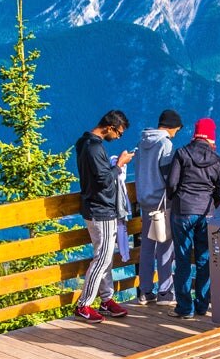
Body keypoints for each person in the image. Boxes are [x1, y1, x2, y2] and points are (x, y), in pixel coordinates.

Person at [73, 110, 133, 323]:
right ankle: (84, 304)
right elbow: (104, 182)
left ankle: (106, 299)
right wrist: (120, 165)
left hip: (91, 208)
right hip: (102, 211)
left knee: (104, 255)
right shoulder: (96, 147)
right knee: (103, 258)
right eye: (118, 132)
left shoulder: (83, 142)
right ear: (109, 127)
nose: (118, 137)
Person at [166, 117, 220, 318]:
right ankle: (202, 305)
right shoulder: (217, 160)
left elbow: (172, 184)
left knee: (182, 260)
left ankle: (184, 308)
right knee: (204, 259)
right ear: (212, 136)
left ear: (195, 133)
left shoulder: (182, 153)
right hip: (206, 213)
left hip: (182, 211)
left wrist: (176, 200)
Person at [133, 109, 183, 304]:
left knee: (147, 246)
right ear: (171, 127)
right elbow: (169, 177)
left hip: (145, 201)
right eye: (177, 129)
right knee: (165, 246)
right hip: (162, 203)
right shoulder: (165, 144)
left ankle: (145, 291)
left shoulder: (142, 142)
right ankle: (165, 292)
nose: (176, 133)